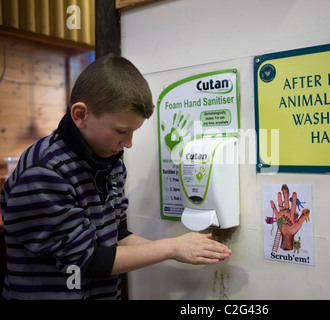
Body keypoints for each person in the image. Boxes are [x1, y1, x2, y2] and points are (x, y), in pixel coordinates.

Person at [0, 53, 232, 300]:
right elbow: (85, 260)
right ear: (80, 115)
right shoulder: (44, 172)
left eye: (133, 132)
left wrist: (183, 250)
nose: (128, 143)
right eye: (122, 131)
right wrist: (171, 247)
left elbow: (117, 237)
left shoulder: (110, 163)